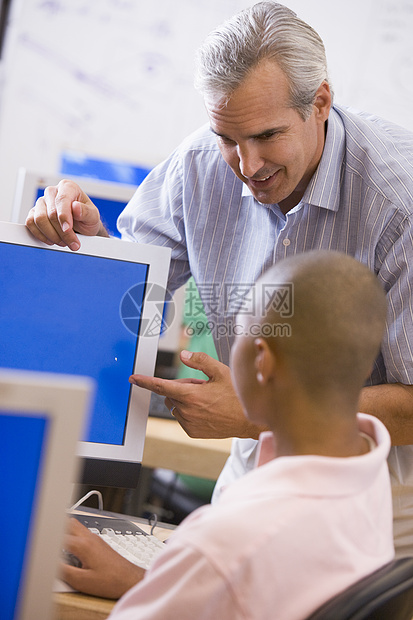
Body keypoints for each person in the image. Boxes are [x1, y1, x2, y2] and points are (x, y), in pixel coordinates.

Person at [26, 1, 413, 557]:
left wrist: (261, 412)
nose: (248, 165)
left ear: (321, 102)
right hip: (259, 460)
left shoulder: (398, 200)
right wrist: (92, 244)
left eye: (267, 135)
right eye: (228, 138)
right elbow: (133, 301)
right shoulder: (197, 166)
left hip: (385, 485)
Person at [62, 251, 394, 619]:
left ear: (261, 362)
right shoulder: (369, 473)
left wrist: (157, 578)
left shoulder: (225, 543)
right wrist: (158, 579)